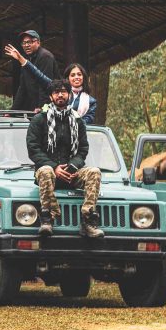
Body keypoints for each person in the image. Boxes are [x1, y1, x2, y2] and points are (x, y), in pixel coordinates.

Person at [26, 79, 103, 238]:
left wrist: (72, 166)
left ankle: (88, 220)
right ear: (51, 96)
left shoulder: (77, 120)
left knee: (94, 172)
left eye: (63, 91)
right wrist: (54, 167)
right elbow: (33, 149)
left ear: (69, 95)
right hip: (48, 173)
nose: (60, 95)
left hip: (72, 172)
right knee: (46, 171)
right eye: (56, 92)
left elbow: (83, 149)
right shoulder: (39, 119)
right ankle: (47, 219)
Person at [2, 46, 97, 124]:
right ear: (67, 79)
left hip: (77, 140)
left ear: (84, 77)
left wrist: (70, 123)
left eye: (79, 74)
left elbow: (87, 122)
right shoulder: (59, 91)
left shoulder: (91, 102)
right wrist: (22, 60)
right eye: (73, 75)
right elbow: (39, 75)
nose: (76, 77)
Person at [8, 30, 57, 111]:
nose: (26, 45)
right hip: (33, 105)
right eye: (24, 43)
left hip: (49, 106)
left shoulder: (45, 56)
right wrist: (12, 111)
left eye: (30, 42)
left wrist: (42, 108)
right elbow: (22, 88)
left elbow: (45, 85)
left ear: (38, 42)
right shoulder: (25, 58)